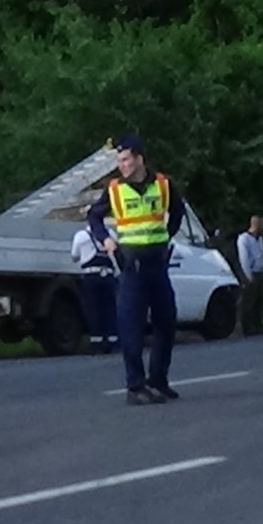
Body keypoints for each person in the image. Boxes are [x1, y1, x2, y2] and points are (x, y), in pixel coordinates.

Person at [87, 134, 185, 405]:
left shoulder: (163, 184)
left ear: (140, 158)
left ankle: (158, 380)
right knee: (131, 326)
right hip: (133, 266)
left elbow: (178, 211)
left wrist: (167, 235)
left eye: (127, 159)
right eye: (119, 160)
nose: (123, 165)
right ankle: (135, 386)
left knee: (166, 322)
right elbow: (94, 215)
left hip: (158, 263)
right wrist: (106, 239)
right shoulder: (115, 189)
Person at [70, 225, 120, 355]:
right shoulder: (111, 234)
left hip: (90, 276)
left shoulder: (80, 236)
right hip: (108, 275)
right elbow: (117, 252)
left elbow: (74, 256)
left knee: (93, 309)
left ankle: (96, 342)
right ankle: (112, 341)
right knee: (110, 308)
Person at [237, 215, 263, 336]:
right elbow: (244, 258)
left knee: (259, 300)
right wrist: (247, 274)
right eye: (262, 224)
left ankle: (258, 324)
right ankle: (247, 327)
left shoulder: (259, 239)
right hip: (250, 273)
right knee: (248, 301)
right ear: (256, 224)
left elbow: (262, 254)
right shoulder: (244, 239)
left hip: (259, 271)